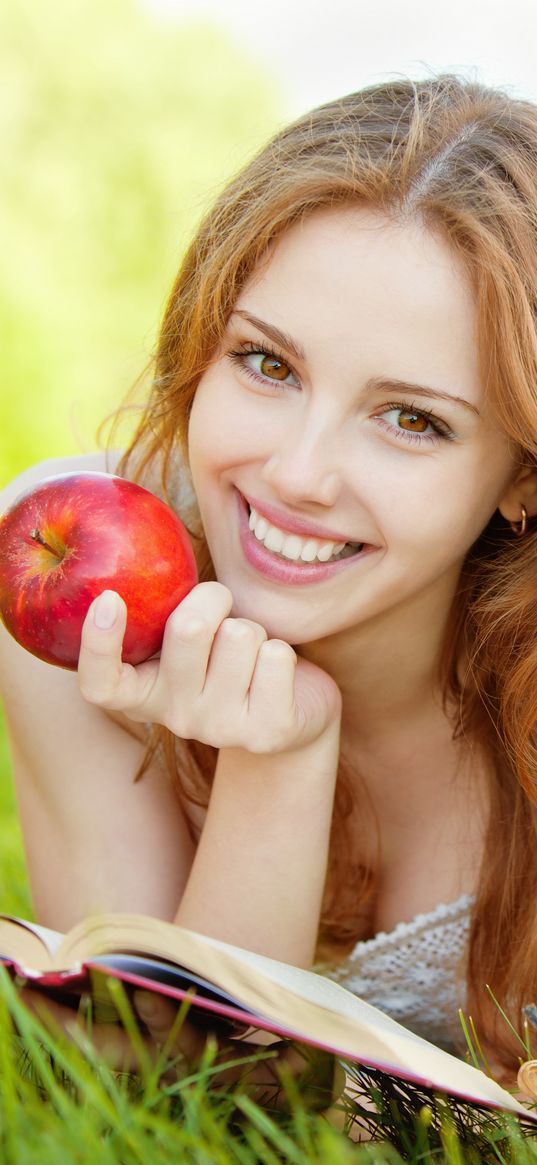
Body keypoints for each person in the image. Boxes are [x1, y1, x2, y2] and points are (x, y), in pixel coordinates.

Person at [2, 72, 537, 1089]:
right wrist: (277, 764)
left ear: (521, 472)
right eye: (267, 364)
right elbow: (146, 1090)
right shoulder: (80, 585)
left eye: (411, 419)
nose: (296, 474)